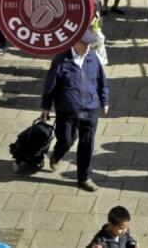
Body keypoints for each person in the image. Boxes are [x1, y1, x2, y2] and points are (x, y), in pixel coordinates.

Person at [41, 31, 109, 192]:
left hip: (90, 109)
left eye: (90, 44)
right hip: (68, 110)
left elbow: (102, 81)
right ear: (74, 42)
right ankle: (57, 154)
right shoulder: (60, 61)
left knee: (87, 143)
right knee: (66, 139)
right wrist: (46, 106)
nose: (88, 47)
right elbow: (51, 86)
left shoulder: (93, 58)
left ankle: (84, 177)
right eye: (85, 44)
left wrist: (104, 100)